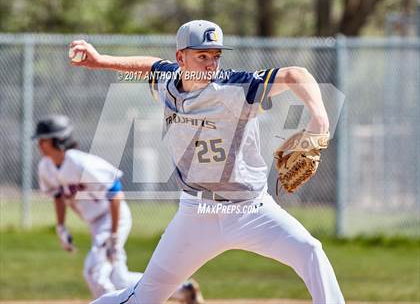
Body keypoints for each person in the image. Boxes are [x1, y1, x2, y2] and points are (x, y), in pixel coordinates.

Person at [70, 20, 345, 304]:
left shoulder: (235, 87)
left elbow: (295, 74)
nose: (210, 63)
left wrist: (320, 119)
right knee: (142, 298)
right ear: (180, 58)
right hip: (195, 215)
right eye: (202, 56)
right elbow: (150, 66)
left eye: (215, 56)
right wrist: (101, 61)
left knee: (310, 251)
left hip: (252, 210)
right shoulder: (168, 83)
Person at [34, 114, 204, 303]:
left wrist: (114, 234)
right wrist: (61, 227)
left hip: (112, 217)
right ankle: (183, 290)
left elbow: (114, 191)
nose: (39, 145)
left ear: (59, 140)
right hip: (96, 223)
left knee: (94, 272)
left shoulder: (78, 162)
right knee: (119, 278)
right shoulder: (46, 167)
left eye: (44, 140)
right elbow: (58, 195)